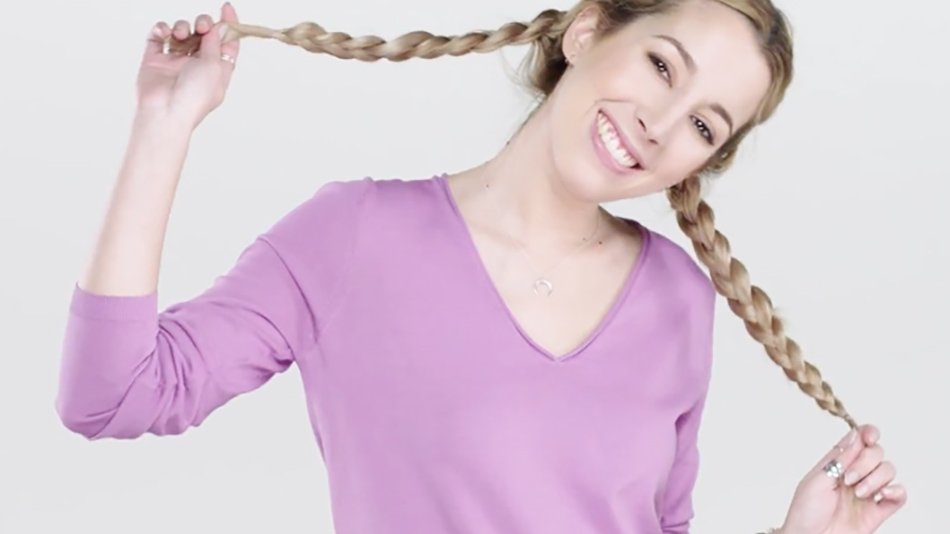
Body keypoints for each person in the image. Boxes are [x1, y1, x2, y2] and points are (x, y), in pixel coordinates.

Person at [55, 1, 907, 533]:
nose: (660, 123)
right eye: (659, 66)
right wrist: (164, 125)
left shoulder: (678, 301)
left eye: (705, 125)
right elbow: (112, 394)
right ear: (588, 28)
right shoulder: (354, 236)